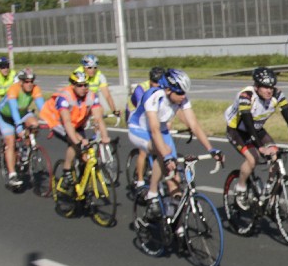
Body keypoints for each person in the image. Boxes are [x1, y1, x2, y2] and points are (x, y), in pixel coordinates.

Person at [127, 68, 221, 221]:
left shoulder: (182, 98)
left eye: (185, 93)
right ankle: (152, 195)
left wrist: (211, 149)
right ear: (168, 90)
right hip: (140, 130)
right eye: (179, 93)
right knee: (165, 152)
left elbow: (194, 125)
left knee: (175, 179)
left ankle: (174, 223)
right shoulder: (153, 96)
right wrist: (166, 156)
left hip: (162, 130)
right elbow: (154, 130)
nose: (183, 96)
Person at [224, 66, 288, 210]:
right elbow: (248, 122)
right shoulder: (246, 96)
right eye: (265, 87)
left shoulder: (277, 95)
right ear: (256, 86)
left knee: (276, 156)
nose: (269, 90)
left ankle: (270, 195)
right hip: (237, 130)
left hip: (257, 129)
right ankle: (241, 189)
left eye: (271, 87)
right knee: (253, 159)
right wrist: (260, 147)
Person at [39, 68, 111, 184]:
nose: (83, 88)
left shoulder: (91, 96)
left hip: (76, 123)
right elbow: (67, 122)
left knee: (85, 154)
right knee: (75, 144)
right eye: (80, 85)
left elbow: (98, 118)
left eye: (85, 85)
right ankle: (67, 169)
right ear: (73, 85)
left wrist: (104, 136)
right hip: (59, 122)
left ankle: (82, 182)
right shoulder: (64, 97)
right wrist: (78, 142)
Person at [0, 68, 45, 188]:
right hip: (6, 117)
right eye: (27, 82)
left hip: (22, 113)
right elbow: (14, 109)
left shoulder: (35, 89)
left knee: (35, 124)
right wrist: (18, 126)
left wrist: (53, 122)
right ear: (21, 82)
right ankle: (12, 175)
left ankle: (26, 149)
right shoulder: (14, 89)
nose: (30, 84)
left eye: (32, 81)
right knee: (10, 142)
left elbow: (43, 108)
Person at [126, 66, 166, 195]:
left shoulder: (164, 88)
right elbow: (145, 110)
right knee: (143, 150)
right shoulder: (141, 89)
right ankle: (140, 181)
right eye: (154, 82)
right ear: (150, 81)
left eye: (159, 82)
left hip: (149, 114)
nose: (157, 85)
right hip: (135, 113)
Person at [79, 54, 121, 121]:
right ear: (84, 67)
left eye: (95, 67)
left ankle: (97, 126)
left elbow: (107, 96)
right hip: (78, 100)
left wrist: (114, 111)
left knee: (100, 110)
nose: (92, 70)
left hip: (90, 100)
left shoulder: (100, 76)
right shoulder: (78, 74)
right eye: (89, 67)